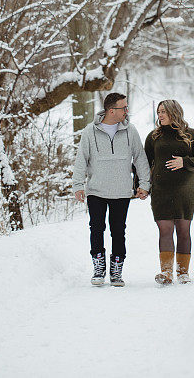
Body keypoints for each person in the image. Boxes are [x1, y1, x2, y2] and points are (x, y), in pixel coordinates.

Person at [72, 93, 150, 287]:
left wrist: (145, 184)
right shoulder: (90, 131)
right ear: (111, 110)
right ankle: (98, 268)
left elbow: (140, 158)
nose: (127, 111)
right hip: (96, 190)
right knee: (96, 228)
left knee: (118, 231)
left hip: (121, 191)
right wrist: (77, 185)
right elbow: (81, 159)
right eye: (123, 108)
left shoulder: (130, 131)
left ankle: (116, 270)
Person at [144, 100, 194, 285]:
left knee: (183, 231)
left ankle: (183, 273)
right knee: (164, 230)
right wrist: (141, 186)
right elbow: (144, 164)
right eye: (159, 112)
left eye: (164, 111)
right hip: (161, 191)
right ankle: (166, 273)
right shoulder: (153, 137)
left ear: (174, 112)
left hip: (184, 192)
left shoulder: (191, 135)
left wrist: (185, 162)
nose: (160, 115)